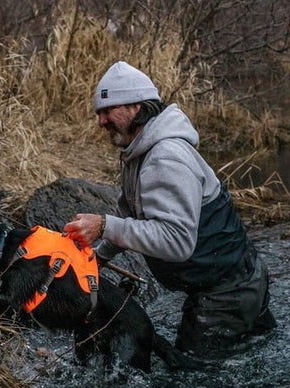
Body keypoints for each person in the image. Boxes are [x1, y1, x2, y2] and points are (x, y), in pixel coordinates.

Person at [63, 61, 276, 356]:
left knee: (193, 384)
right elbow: (131, 217)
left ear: (135, 107)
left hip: (228, 293)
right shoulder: (138, 152)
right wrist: (98, 257)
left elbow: (177, 242)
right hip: (232, 281)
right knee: (260, 355)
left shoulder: (166, 158)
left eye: (107, 110)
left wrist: (102, 226)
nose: (101, 121)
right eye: (99, 112)